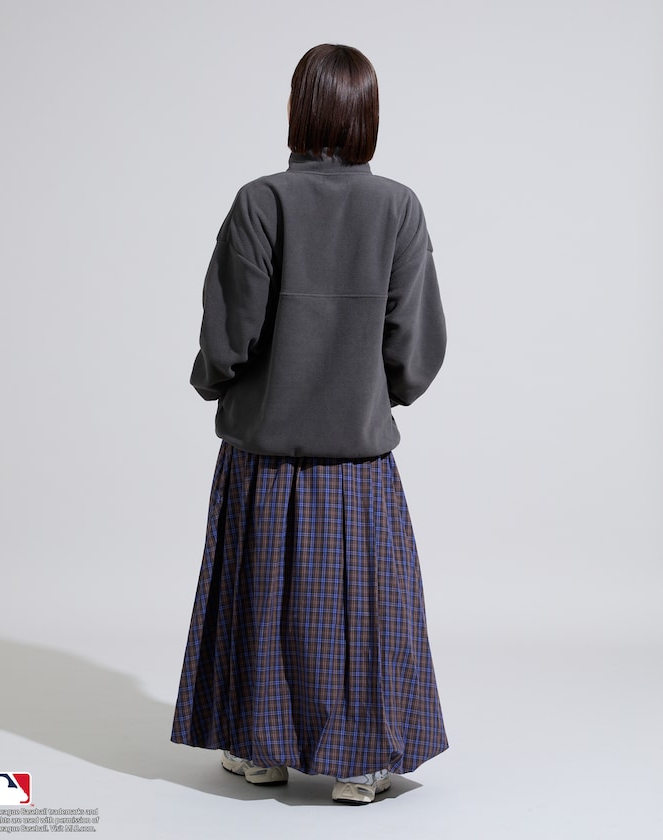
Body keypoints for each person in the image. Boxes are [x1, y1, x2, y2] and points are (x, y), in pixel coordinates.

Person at [171, 43, 448, 805]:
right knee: (362, 612)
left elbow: (228, 335)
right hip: (356, 462)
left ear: (298, 110)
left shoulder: (260, 201)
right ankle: (361, 763)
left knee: (258, 598)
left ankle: (260, 751)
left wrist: (214, 383)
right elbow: (416, 347)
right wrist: (368, 395)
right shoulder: (398, 206)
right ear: (368, 116)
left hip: (263, 450)